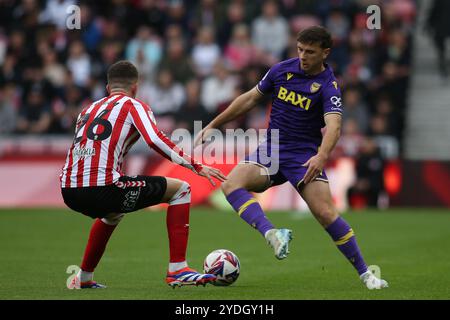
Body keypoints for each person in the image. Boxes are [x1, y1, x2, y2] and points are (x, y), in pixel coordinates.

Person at [195, 26, 388, 290]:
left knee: (325, 213)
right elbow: (250, 98)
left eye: (310, 52)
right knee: (231, 184)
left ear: (325, 53)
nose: (303, 56)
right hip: (272, 150)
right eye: (300, 50)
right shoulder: (281, 70)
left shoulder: (328, 87)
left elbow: (334, 127)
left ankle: (367, 275)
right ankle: (272, 234)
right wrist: (214, 124)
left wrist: (321, 156)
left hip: (303, 156)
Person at [61, 60, 226, 289]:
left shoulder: (87, 109)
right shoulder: (133, 105)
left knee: (112, 214)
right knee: (181, 189)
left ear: (108, 88)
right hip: (102, 187)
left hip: (68, 190)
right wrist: (196, 165)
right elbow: (155, 140)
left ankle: (85, 278)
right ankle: (178, 269)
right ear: (136, 87)